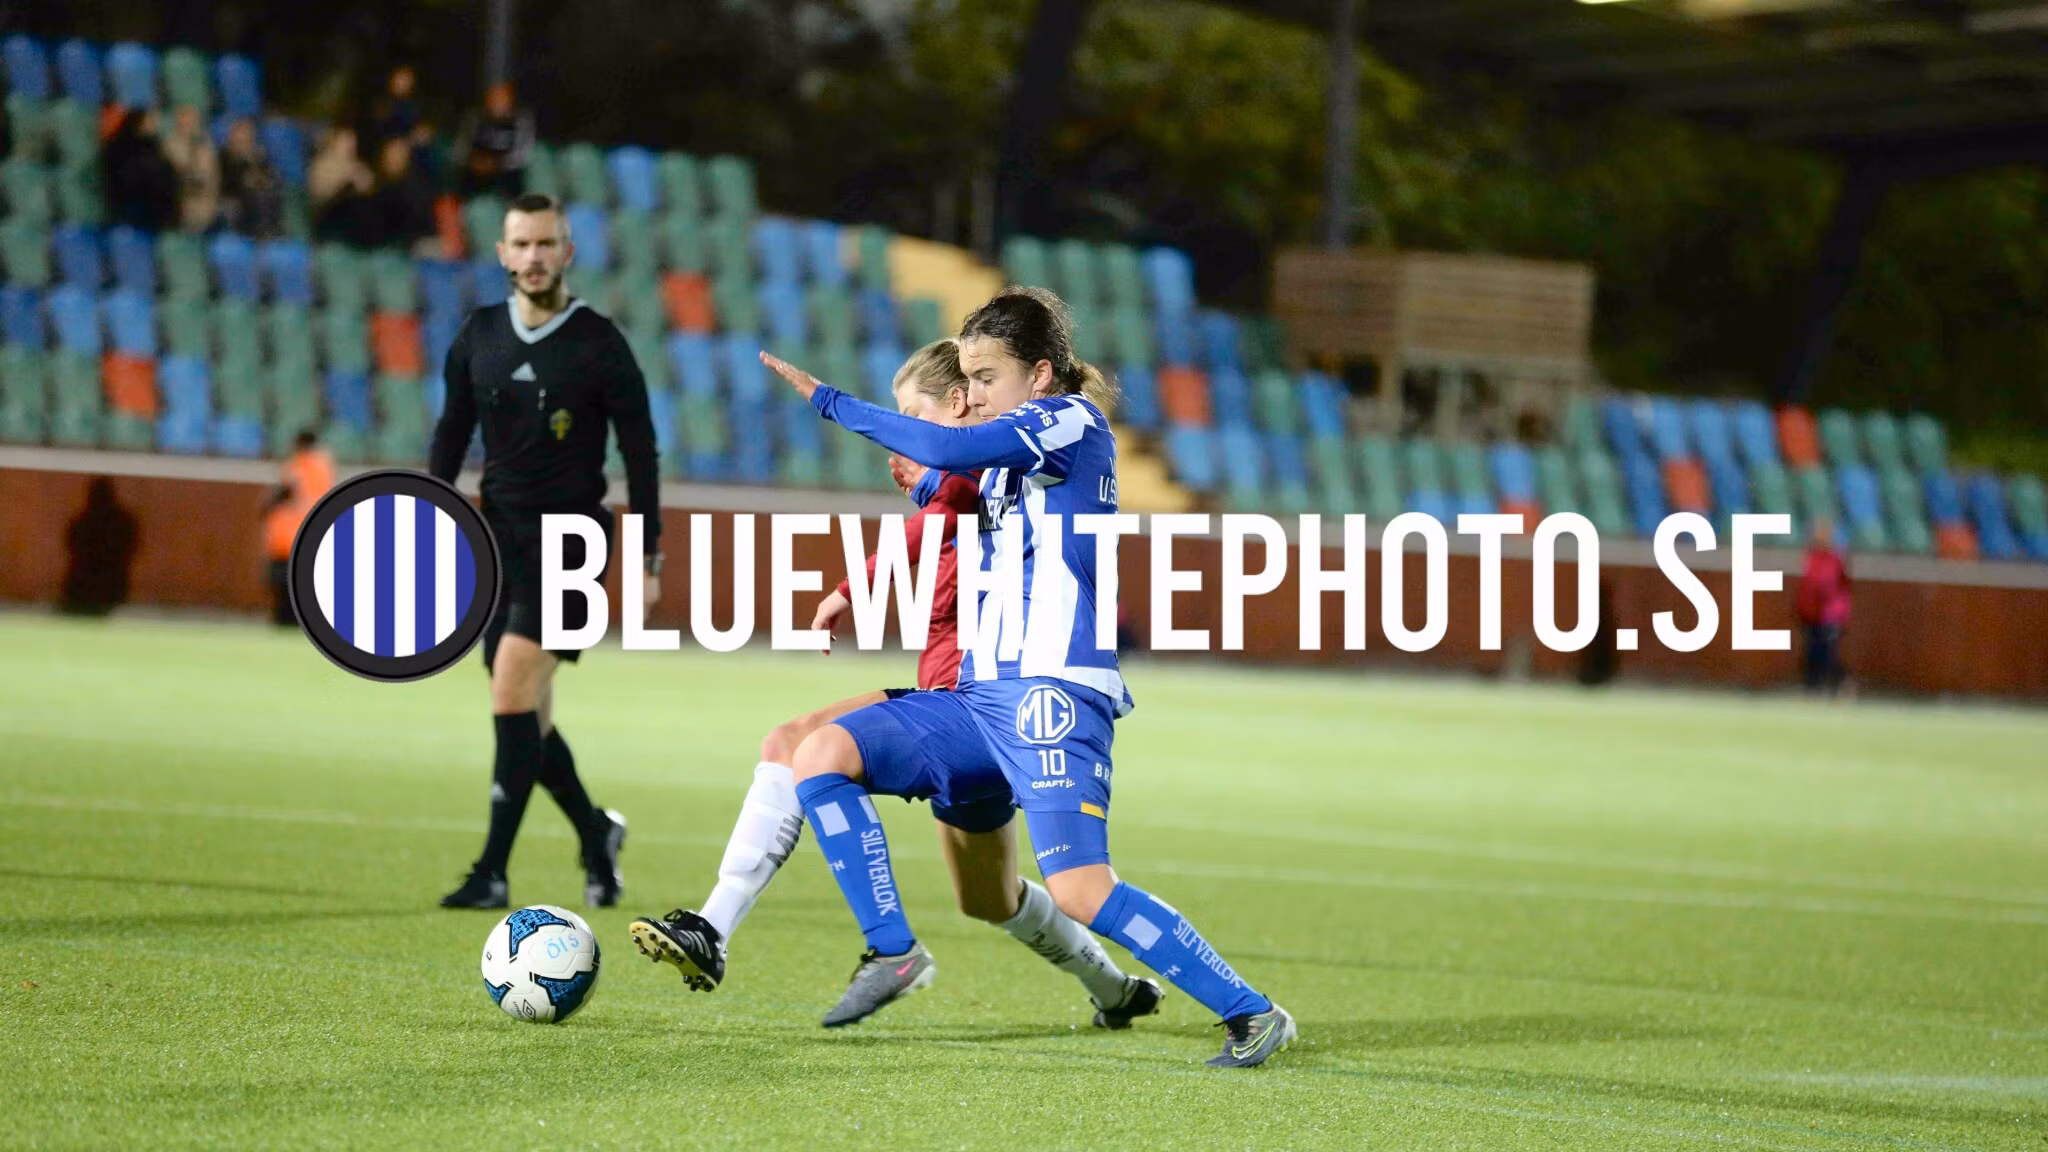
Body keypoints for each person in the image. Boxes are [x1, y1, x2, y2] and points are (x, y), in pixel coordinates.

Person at [761, 287, 1295, 1067]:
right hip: (980, 698)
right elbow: (947, 490)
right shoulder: (1011, 458)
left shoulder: (1071, 422)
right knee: (821, 754)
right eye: (968, 379)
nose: (972, 393)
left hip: (1053, 692)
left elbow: (944, 453)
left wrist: (829, 400)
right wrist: (908, 492)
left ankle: (1252, 1012)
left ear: (1040, 374)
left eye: (986, 377)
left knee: (1080, 889)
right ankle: (893, 951)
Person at [627, 341, 1163, 1030]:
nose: (904, 436)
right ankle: (1114, 989)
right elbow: (936, 515)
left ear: (959, 406)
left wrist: (855, 578)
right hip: (974, 709)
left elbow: (943, 509)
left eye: (915, 414)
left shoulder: (984, 471)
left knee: (796, 744)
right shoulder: (986, 475)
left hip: (974, 706)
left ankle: (722, 928)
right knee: (988, 898)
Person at [426, 193, 662, 910]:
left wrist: (648, 555)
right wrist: (428, 520)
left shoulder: (599, 342)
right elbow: (450, 433)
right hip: (495, 541)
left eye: (545, 244)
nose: (533, 257)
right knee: (529, 715)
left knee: (510, 688)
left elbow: (641, 452)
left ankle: (492, 872)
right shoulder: (477, 336)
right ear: (502, 253)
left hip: (573, 544)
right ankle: (596, 834)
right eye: (521, 244)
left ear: (567, 252)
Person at [263, 429, 335, 628]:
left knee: (282, 581)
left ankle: (284, 619)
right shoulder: (325, 466)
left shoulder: (299, 464)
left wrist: (267, 505)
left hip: (290, 533)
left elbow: (285, 490)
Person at [1795, 519, 1852, 696]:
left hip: (1830, 615)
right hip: (1811, 614)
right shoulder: (1810, 558)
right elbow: (1806, 587)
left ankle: (1840, 684)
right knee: (1812, 651)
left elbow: (1835, 586)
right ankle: (1812, 686)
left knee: (1827, 652)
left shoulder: (1835, 559)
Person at [454, 82, 535, 199]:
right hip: (476, 174)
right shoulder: (473, 118)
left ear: (511, 99)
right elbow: (459, 150)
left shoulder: (521, 119)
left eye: (503, 97)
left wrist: (496, 164)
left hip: (510, 175)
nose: (498, 102)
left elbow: (524, 154)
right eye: (493, 97)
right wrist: (473, 161)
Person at [219, 119, 284, 239]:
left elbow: (270, 179)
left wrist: (257, 173)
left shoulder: (259, 158)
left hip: (259, 198)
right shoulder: (222, 157)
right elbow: (222, 183)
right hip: (234, 199)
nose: (243, 144)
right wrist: (244, 179)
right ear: (231, 138)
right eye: (239, 140)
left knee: (267, 194)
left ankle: (268, 233)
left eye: (247, 140)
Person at [160, 105, 220, 233]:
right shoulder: (169, 145)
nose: (188, 124)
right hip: (179, 201)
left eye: (191, 121)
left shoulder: (206, 145)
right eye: (184, 120)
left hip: (205, 203)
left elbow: (212, 177)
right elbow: (174, 174)